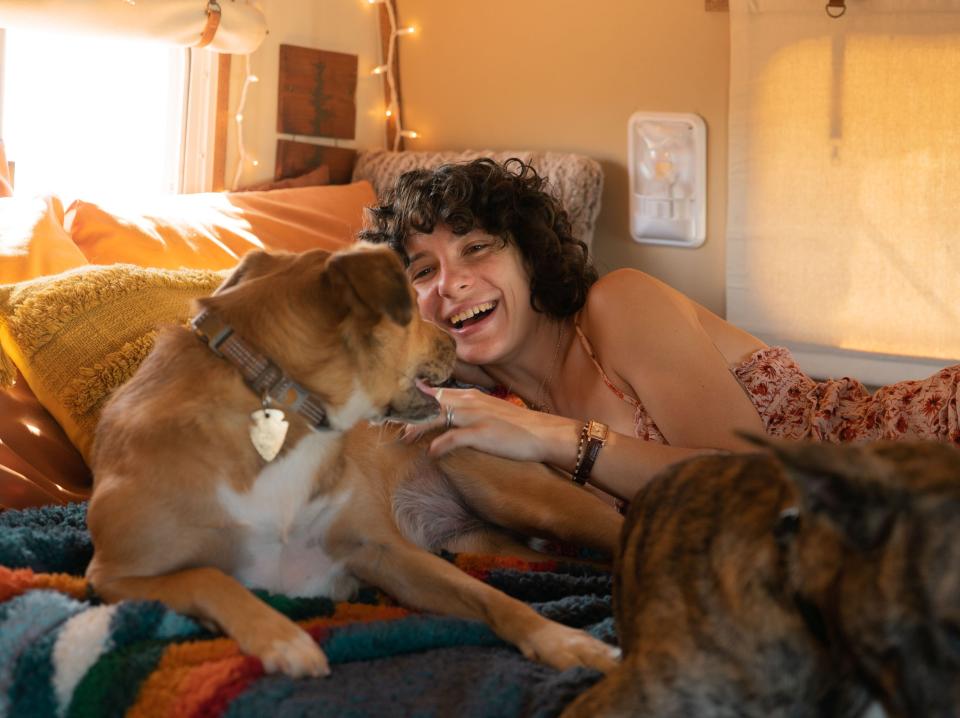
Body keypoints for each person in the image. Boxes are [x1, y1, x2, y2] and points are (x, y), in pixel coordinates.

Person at [359, 158, 960, 504]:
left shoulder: (617, 305)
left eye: (477, 248)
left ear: (529, 258)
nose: (453, 282)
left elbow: (758, 487)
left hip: (918, 454)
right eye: (423, 270)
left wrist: (553, 437)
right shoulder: (477, 402)